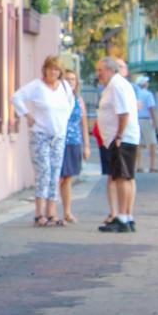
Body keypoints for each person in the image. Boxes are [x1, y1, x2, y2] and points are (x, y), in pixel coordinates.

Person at [11, 56, 75, 227]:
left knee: (55, 173)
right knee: (43, 172)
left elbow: (71, 104)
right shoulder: (37, 86)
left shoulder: (64, 87)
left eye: (56, 69)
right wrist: (28, 116)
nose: (53, 72)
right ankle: (39, 212)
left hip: (58, 136)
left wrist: (63, 123)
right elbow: (16, 97)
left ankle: (51, 211)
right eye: (50, 68)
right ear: (45, 70)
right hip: (40, 135)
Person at [95, 57, 140, 233]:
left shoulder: (116, 85)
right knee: (125, 177)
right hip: (123, 137)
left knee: (121, 178)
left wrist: (119, 135)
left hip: (121, 138)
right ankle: (127, 217)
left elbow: (123, 113)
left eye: (101, 70)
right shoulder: (116, 85)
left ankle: (122, 217)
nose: (99, 73)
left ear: (110, 70)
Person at [58, 70, 91, 223]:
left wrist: (87, 145)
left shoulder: (79, 100)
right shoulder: (58, 98)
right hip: (59, 141)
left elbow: (84, 124)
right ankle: (51, 211)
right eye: (67, 79)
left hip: (74, 141)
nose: (70, 82)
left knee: (68, 177)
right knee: (57, 177)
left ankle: (67, 211)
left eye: (73, 79)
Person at [133, 76, 158, 173]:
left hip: (136, 119)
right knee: (152, 143)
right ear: (144, 84)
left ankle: (138, 165)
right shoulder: (148, 94)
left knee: (138, 144)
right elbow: (151, 108)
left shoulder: (135, 94)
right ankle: (152, 165)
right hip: (146, 120)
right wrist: (155, 122)